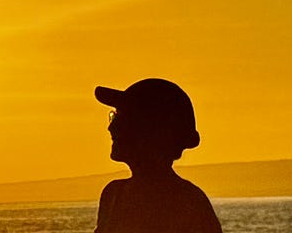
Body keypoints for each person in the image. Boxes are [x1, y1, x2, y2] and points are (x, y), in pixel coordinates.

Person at [93, 78, 222, 233]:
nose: (111, 127)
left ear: (149, 129)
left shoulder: (186, 203)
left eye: (121, 117)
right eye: (114, 116)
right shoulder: (114, 194)